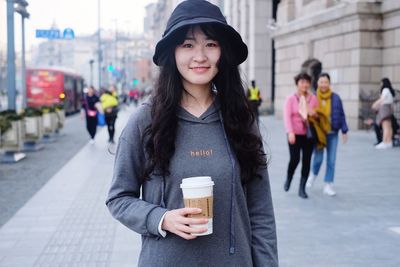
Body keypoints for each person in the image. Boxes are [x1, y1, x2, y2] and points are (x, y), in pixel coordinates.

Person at [106, 1, 278, 266]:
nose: (200, 56)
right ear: (173, 53)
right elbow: (119, 197)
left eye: (211, 44)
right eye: (188, 45)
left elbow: (261, 211)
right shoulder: (146, 120)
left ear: (223, 52)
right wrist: (161, 218)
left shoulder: (239, 119)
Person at [306, 73, 348, 196]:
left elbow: (341, 114)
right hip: (319, 134)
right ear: (318, 83)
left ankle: (328, 184)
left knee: (331, 160)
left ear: (329, 84)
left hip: (333, 133)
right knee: (318, 159)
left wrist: (344, 131)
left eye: (326, 82)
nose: (324, 84)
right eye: (321, 82)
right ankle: (313, 174)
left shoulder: (335, 98)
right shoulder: (313, 98)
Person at [283, 72, 318, 199]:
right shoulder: (291, 99)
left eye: (307, 82)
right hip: (294, 134)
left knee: (307, 161)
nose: (305, 84)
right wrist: (290, 132)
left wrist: (311, 111)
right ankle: (289, 178)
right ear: (297, 83)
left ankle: (302, 188)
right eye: (302, 82)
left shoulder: (313, 98)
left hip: (308, 135)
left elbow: (316, 115)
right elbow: (287, 117)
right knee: (295, 159)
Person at [372, 78, 396, 149]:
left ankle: (385, 142)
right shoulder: (390, 90)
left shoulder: (385, 90)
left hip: (384, 108)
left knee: (385, 127)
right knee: (389, 127)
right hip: (388, 108)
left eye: (381, 83)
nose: (380, 84)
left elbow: (382, 99)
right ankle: (389, 141)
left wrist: (375, 104)